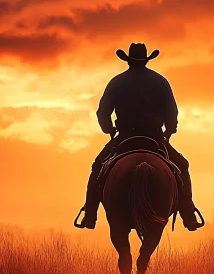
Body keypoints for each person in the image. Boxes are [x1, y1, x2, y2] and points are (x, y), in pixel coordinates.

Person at [78, 42, 203, 231]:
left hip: (125, 136)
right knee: (182, 166)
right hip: (154, 137)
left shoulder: (116, 81)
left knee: (97, 168)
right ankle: (188, 214)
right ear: (146, 60)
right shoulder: (161, 81)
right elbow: (172, 112)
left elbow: (103, 112)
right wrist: (170, 130)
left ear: (128, 60)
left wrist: (109, 130)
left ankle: (90, 215)